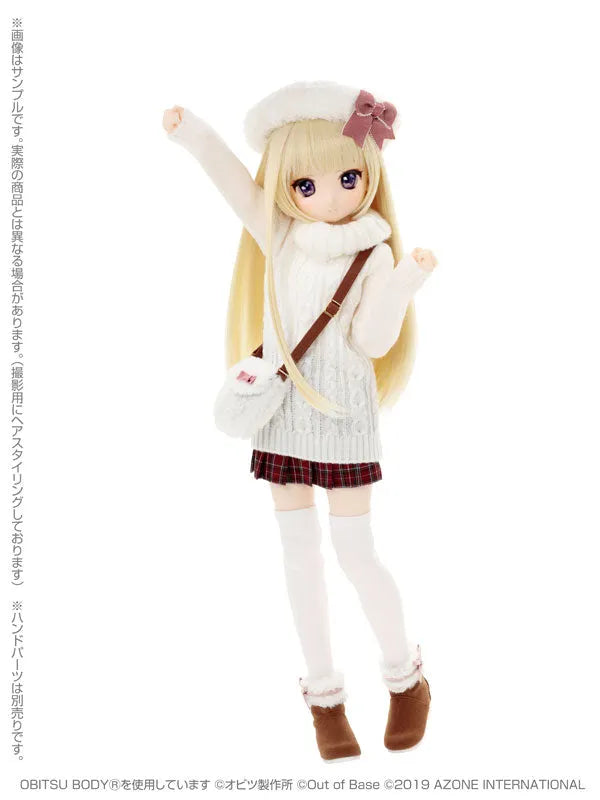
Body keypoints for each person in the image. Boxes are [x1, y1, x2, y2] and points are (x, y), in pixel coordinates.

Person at [163, 81, 438, 761]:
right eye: (305, 184)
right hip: (285, 416)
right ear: (285, 187)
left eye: (349, 178)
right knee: (299, 556)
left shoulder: (374, 251)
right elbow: (230, 179)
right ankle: (324, 698)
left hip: (344, 421)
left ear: (369, 173)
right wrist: (189, 130)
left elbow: (371, 341)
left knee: (355, 553)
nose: (332, 196)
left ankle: (405, 678)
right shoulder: (281, 234)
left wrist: (403, 282)